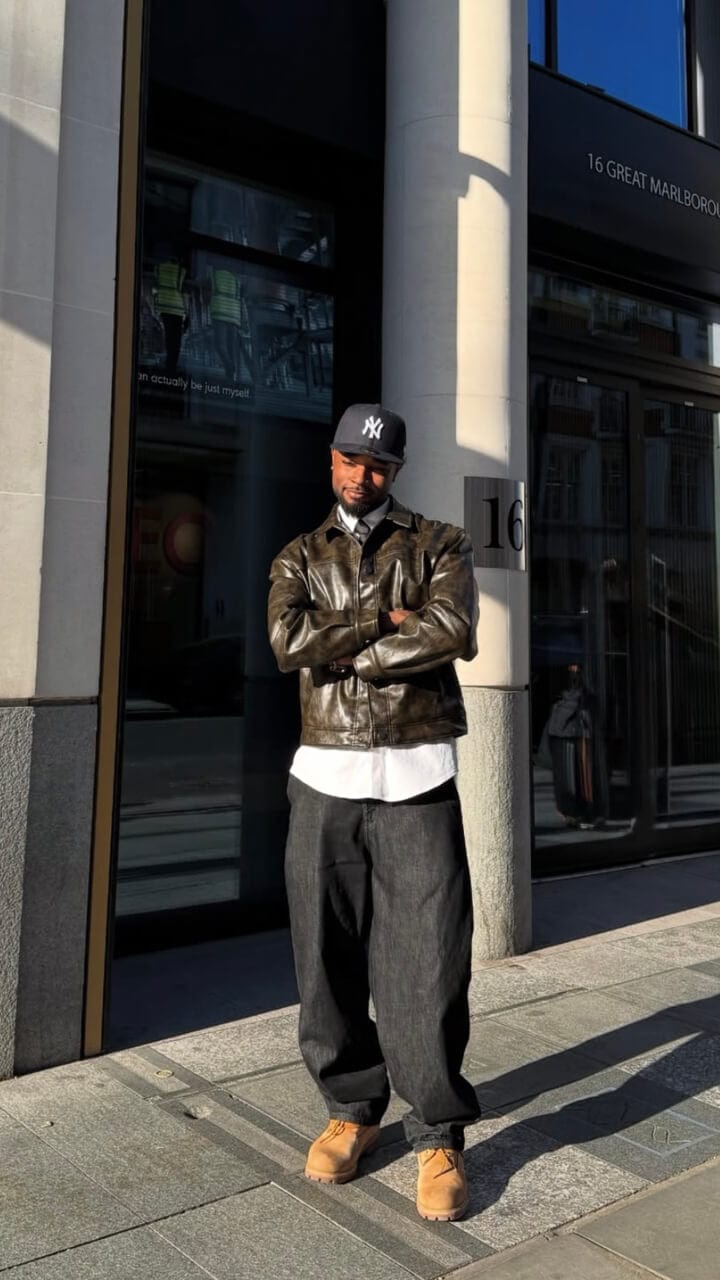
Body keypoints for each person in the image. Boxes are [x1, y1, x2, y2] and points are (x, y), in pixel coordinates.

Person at [267, 403, 481, 1222]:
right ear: (332, 461)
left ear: (397, 470)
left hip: (418, 772)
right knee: (324, 956)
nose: (364, 475)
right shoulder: (297, 555)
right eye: (352, 460)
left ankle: (437, 1133)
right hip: (323, 774)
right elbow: (287, 642)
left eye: (379, 464)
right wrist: (377, 623)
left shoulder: (441, 544)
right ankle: (352, 1111)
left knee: (428, 961)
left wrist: (348, 647)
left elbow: (453, 627)